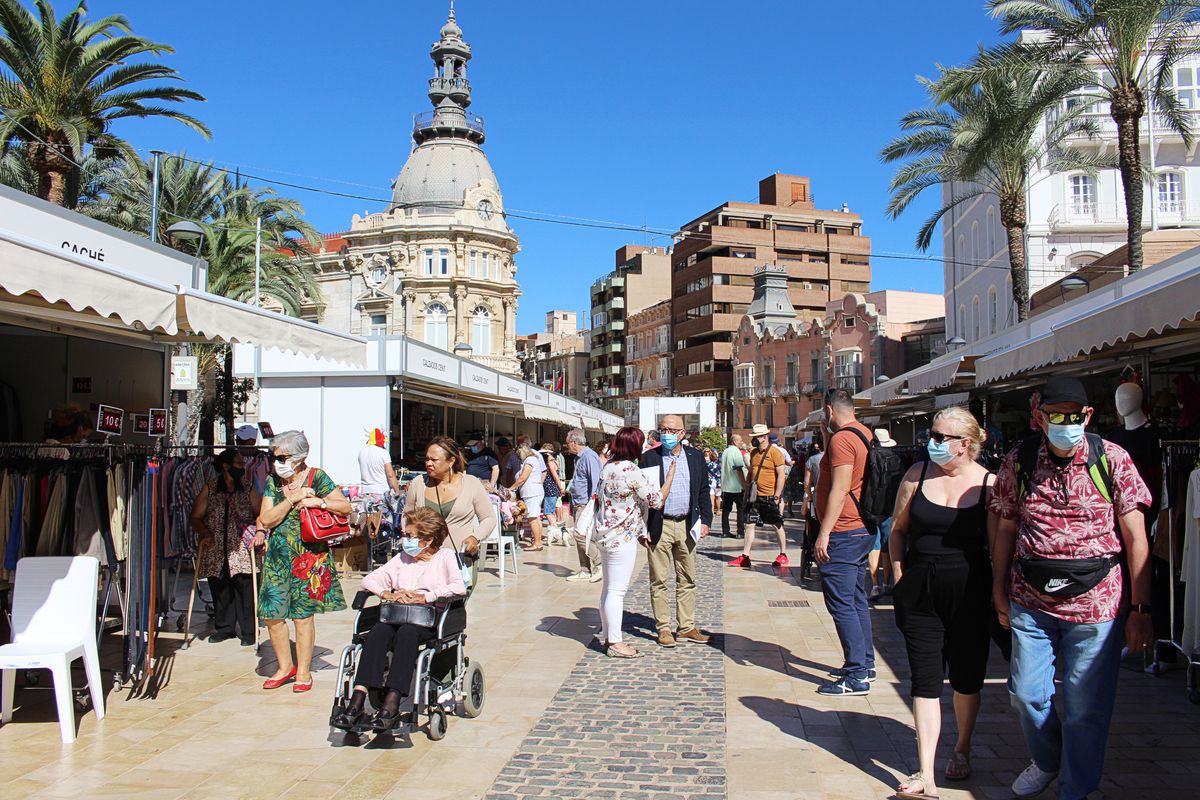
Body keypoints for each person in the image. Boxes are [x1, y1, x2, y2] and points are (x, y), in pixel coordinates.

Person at [989, 376, 1152, 800]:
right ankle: (1047, 759)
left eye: (1073, 416)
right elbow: (1006, 527)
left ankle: (1074, 790)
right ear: (1039, 416)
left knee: (1085, 710)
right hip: (1030, 598)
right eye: (1056, 415)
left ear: (1088, 417)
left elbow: (1136, 536)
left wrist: (1141, 609)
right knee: (1025, 695)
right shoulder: (1019, 460)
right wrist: (997, 586)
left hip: (1095, 605)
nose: (1066, 423)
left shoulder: (1112, 458)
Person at [889, 408, 994, 800]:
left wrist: (1000, 594)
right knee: (925, 678)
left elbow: (997, 546)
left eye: (938, 436)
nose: (929, 441)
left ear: (964, 444)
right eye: (931, 435)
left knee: (967, 678)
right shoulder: (916, 475)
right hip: (921, 590)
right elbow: (897, 531)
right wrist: (899, 577)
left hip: (970, 590)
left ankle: (962, 746)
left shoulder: (989, 484)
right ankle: (926, 774)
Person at [330, 507, 466, 732]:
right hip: (396, 614)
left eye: (410, 536)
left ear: (428, 539)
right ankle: (357, 700)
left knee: (407, 634)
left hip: (428, 619)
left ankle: (391, 703)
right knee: (378, 631)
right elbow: (371, 580)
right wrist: (387, 594)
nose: (405, 540)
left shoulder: (445, 557)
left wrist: (425, 596)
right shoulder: (402, 559)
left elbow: (458, 586)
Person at [253, 430, 351, 692]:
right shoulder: (274, 482)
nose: (277, 462)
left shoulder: (317, 477)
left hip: (309, 556)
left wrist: (317, 501)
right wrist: (292, 498)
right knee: (272, 615)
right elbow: (267, 518)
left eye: (282, 457)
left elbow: (344, 507)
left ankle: (304, 672)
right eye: (274, 457)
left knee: (302, 616)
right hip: (278, 555)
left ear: (298, 457)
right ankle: (285, 666)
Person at [813, 388, 876, 696]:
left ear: (828, 411)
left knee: (840, 602)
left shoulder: (842, 440)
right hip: (863, 528)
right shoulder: (864, 433)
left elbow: (839, 488)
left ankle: (856, 676)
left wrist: (824, 532)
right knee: (856, 597)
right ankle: (865, 662)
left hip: (844, 530)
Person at [594, 427, 674, 658]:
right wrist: (668, 478)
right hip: (622, 537)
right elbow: (656, 500)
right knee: (617, 592)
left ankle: (609, 637)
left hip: (605, 534)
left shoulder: (607, 467)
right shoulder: (630, 469)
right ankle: (616, 642)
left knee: (608, 589)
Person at [640, 414, 713, 648]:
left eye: (671, 430)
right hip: (659, 525)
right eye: (662, 429)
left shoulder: (695, 457)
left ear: (682, 433)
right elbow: (642, 499)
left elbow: (703, 489)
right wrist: (643, 528)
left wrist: (705, 520)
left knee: (687, 578)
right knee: (659, 579)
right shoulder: (649, 458)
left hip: (686, 524)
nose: (666, 433)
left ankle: (686, 626)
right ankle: (663, 628)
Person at [190, 448, 261, 645]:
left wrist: (259, 532)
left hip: (241, 549)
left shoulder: (247, 488)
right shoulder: (210, 488)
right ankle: (225, 628)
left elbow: (260, 513)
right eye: (239, 464)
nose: (243, 467)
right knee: (220, 588)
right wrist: (204, 533)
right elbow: (195, 517)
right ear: (226, 466)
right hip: (216, 548)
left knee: (245, 588)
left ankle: (249, 632)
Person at [403, 436, 494, 557]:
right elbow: (406, 515)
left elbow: (489, 518)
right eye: (426, 459)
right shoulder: (418, 483)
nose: (428, 463)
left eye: (434, 460)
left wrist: (475, 538)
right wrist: (409, 534)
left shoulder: (471, 483)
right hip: (423, 559)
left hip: (460, 558)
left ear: (451, 461)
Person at [730, 425, 788, 569]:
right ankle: (745, 556)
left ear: (764, 437)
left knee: (776, 524)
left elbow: (781, 475)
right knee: (749, 524)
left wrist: (777, 495)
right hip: (754, 495)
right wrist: (747, 488)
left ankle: (783, 554)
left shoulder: (775, 453)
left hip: (769, 495)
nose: (754, 439)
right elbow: (751, 471)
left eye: (756, 437)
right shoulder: (754, 452)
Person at [565, 428, 604, 583]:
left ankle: (600, 563)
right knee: (580, 534)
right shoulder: (579, 457)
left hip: (585, 503)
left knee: (580, 535)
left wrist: (593, 503)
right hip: (577, 501)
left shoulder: (589, 457)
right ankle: (585, 569)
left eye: (568, 443)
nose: (567, 446)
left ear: (574, 443)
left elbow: (595, 480)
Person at [869, 427, 899, 600]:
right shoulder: (897, 459)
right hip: (890, 509)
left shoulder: (870, 457)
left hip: (872, 509)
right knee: (888, 546)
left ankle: (875, 585)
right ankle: (887, 583)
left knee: (874, 546)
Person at [510, 440, 547, 550]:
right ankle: (538, 542)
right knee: (536, 518)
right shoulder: (533, 459)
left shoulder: (529, 460)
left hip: (532, 493)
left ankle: (536, 543)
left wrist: (511, 488)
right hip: (535, 492)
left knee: (532, 518)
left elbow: (523, 478)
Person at [800, 439, 824, 577]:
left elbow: (807, 482)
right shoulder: (838, 455)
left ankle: (814, 548)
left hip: (817, 501)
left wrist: (809, 496)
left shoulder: (812, 460)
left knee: (815, 525)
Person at [358, 427, 400, 498]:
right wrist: (397, 491)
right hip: (381, 491)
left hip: (365, 491)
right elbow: (390, 475)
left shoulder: (361, 452)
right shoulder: (384, 453)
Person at [720, 434, 748, 539]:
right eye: (740, 440)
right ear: (735, 442)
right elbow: (739, 469)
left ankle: (725, 531)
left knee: (726, 510)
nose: (741, 442)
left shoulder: (725, 451)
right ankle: (740, 531)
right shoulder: (736, 452)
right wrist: (744, 484)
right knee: (740, 509)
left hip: (726, 485)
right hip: (736, 486)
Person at [539, 443, 567, 544]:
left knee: (548, 512)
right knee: (551, 511)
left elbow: (555, 476)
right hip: (551, 489)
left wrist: (560, 488)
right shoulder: (553, 460)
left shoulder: (550, 461)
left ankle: (556, 532)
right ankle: (556, 532)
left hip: (550, 489)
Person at [236, 424, 269, 495]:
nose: (237, 444)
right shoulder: (232, 457)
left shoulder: (263, 460)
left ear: (252, 442)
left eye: (241, 441)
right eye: (236, 440)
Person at [705, 448, 722, 517]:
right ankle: (718, 510)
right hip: (718, 482)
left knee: (711, 498)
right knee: (718, 497)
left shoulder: (707, 465)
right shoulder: (719, 466)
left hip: (710, 482)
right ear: (716, 458)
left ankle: (711, 511)